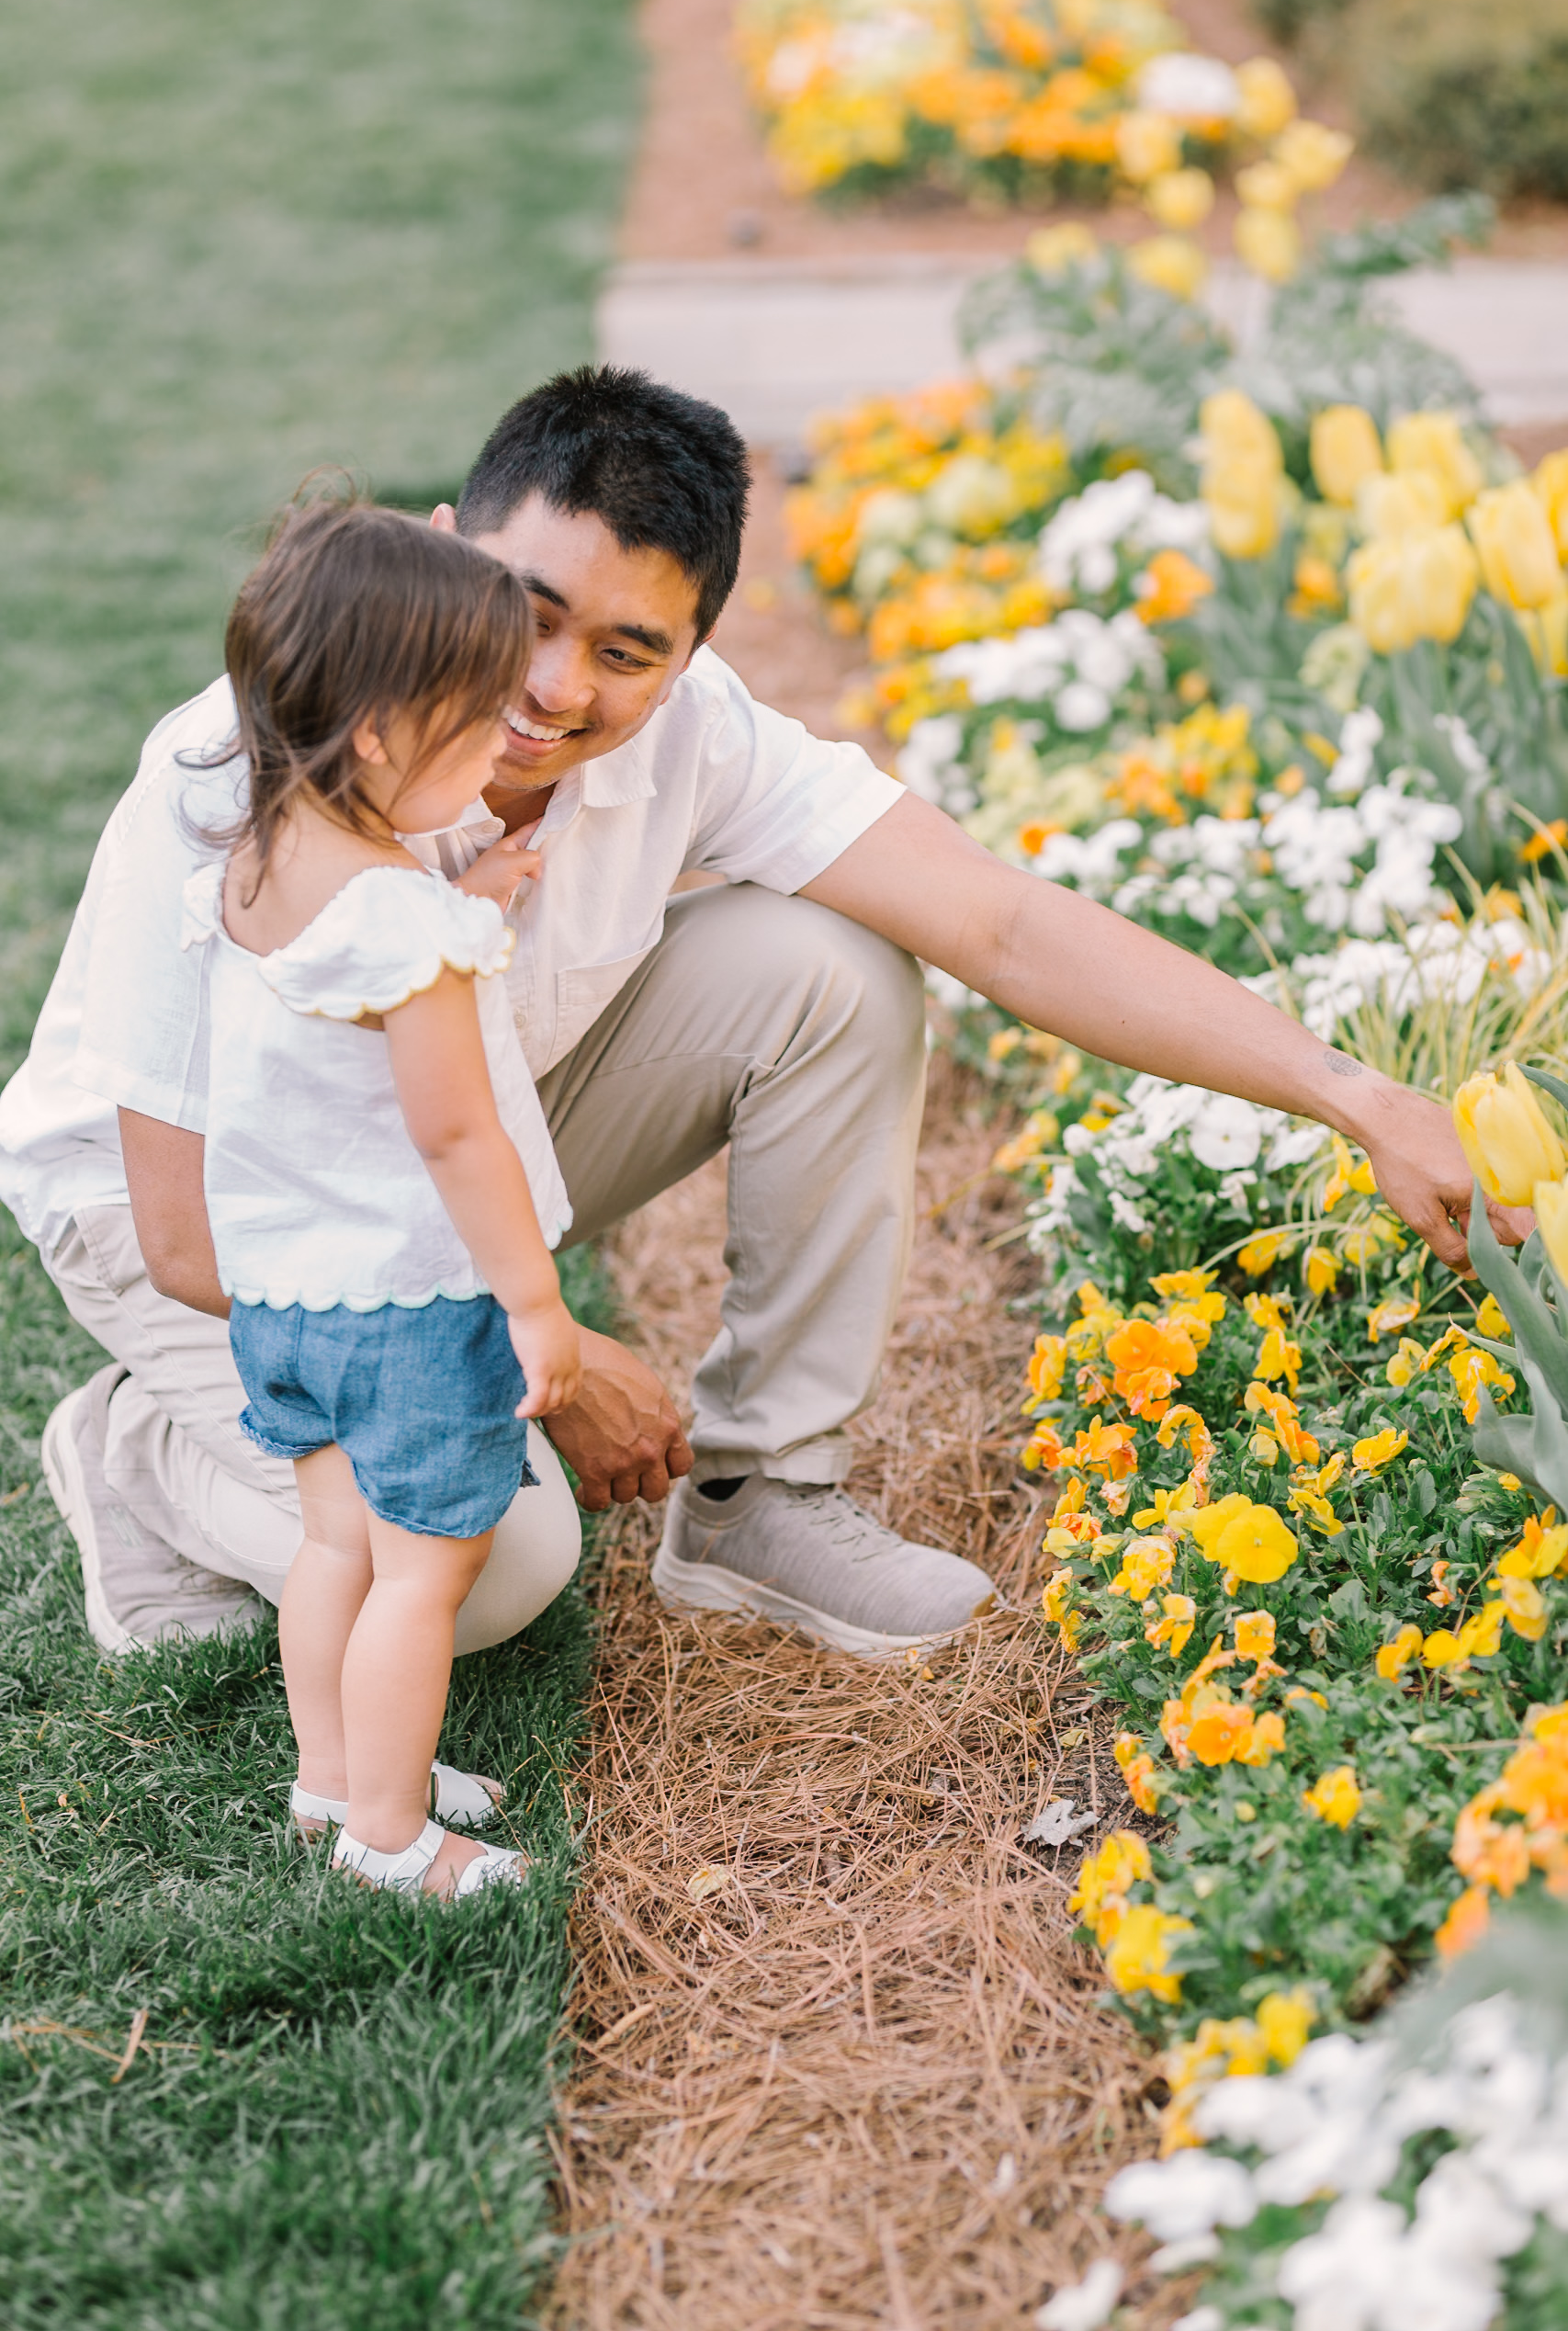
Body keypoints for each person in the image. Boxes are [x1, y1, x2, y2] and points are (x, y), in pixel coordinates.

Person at [0, 367, 1508, 1668]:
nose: (550, 687)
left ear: (694, 656)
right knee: (492, 1576)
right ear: (448, 549)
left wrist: (1359, 1098)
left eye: (626, 652)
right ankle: (138, 1458)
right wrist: (559, 1356)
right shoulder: (238, 777)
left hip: (449, 1142)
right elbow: (192, 1232)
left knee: (833, 966)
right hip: (192, 1228)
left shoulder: (700, 742)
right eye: (527, 612)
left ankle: (761, 1500)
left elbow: (1001, 922)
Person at [187, 495, 581, 1895]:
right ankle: (393, 1836)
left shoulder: (257, 866)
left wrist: (470, 895)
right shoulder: (405, 926)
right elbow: (455, 1130)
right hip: (410, 1314)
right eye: (478, 727)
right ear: (376, 734)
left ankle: (333, 1778)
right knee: (425, 1573)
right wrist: (534, 1301)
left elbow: (346, 1002)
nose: (501, 751)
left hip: (286, 1299)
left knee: (335, 1545)